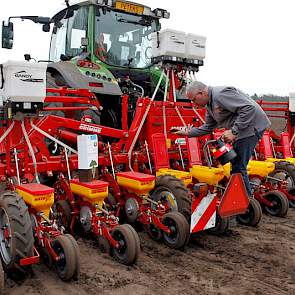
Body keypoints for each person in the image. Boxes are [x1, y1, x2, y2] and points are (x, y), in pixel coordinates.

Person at [172, 81, 271, 197]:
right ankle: (243, 198)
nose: (194, 104)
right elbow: (208, 127)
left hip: (252, 127)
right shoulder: (209, 105)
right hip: (243, 129)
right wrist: (187, 132)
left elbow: (249, 108)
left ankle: (245, 202)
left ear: (202, 93)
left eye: (194, 100)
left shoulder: (221, 94)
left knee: (238, 167)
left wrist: (234, 131)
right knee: (236, 165)